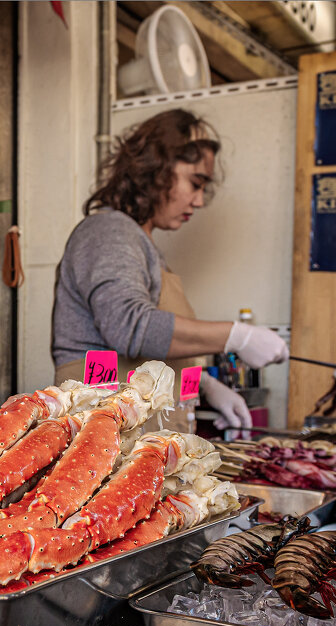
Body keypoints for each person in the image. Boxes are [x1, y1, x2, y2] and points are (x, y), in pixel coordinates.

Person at [51, 108, 289, 432]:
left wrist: (204, 384)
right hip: (104, 452)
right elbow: (130, 327)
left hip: (148, 454)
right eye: (195, 183)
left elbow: (155, 355)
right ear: (156, 170)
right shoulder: (108, 232)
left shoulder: (142, 244)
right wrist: (237, 336)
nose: (200, 200)